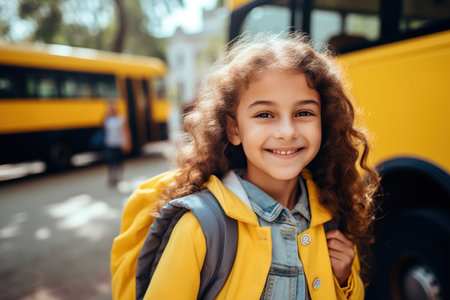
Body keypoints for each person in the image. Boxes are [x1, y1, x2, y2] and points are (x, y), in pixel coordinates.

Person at [111, 33, 380, 299]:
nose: (287, 131)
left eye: (304, 113)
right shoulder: (199, 228)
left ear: (325, 121)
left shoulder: (330, 214)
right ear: (234, 128)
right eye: (265, 114)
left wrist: (345, 281)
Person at [103, 101, 129, 187]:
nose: (110, 109)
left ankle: (118, 177)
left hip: (119, 143)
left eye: (112, 108)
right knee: (111, 160)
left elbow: (125, 131)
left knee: (118, 161)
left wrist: (126, 142)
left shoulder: (121, 118)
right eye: (109, 108)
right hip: (110, 143)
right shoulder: (106, 119)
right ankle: (111, 178)